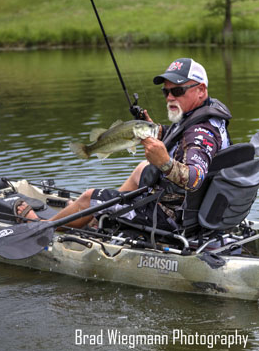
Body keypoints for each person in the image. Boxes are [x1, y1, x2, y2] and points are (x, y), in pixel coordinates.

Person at [18, 58, 232, 232]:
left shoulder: (200, 133)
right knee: (142, 169)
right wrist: (151, 128)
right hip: (191, 206)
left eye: (177, 92)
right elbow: (179, 137)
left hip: (171, 216)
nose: (169, 98)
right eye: (165, 92)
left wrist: (165, 163)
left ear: (201, 90)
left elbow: (194, 178)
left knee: (89, 197)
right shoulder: (205, 116)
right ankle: (102, 215)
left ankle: (43, 227)